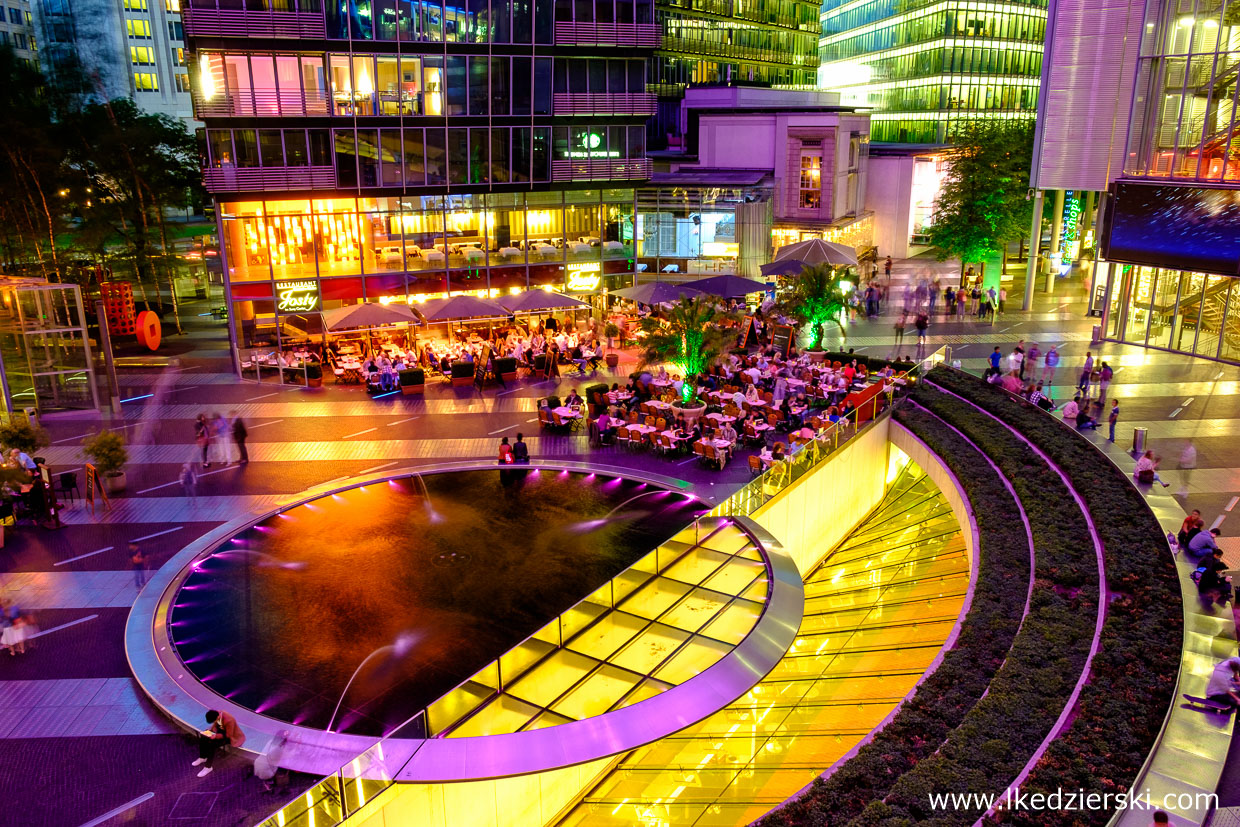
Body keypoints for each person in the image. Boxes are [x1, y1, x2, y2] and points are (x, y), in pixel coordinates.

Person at [193, 709, 245, 777]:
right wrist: (210, 732)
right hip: (220, 732)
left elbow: (228, 735)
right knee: (203, 736)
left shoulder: (229, 720)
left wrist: (215, 736)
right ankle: (203, 757)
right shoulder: (217, 714)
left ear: (217, 718)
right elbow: (215, 726)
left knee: (212, 744)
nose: (214, 722)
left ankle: (208, 767)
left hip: (230, 736)